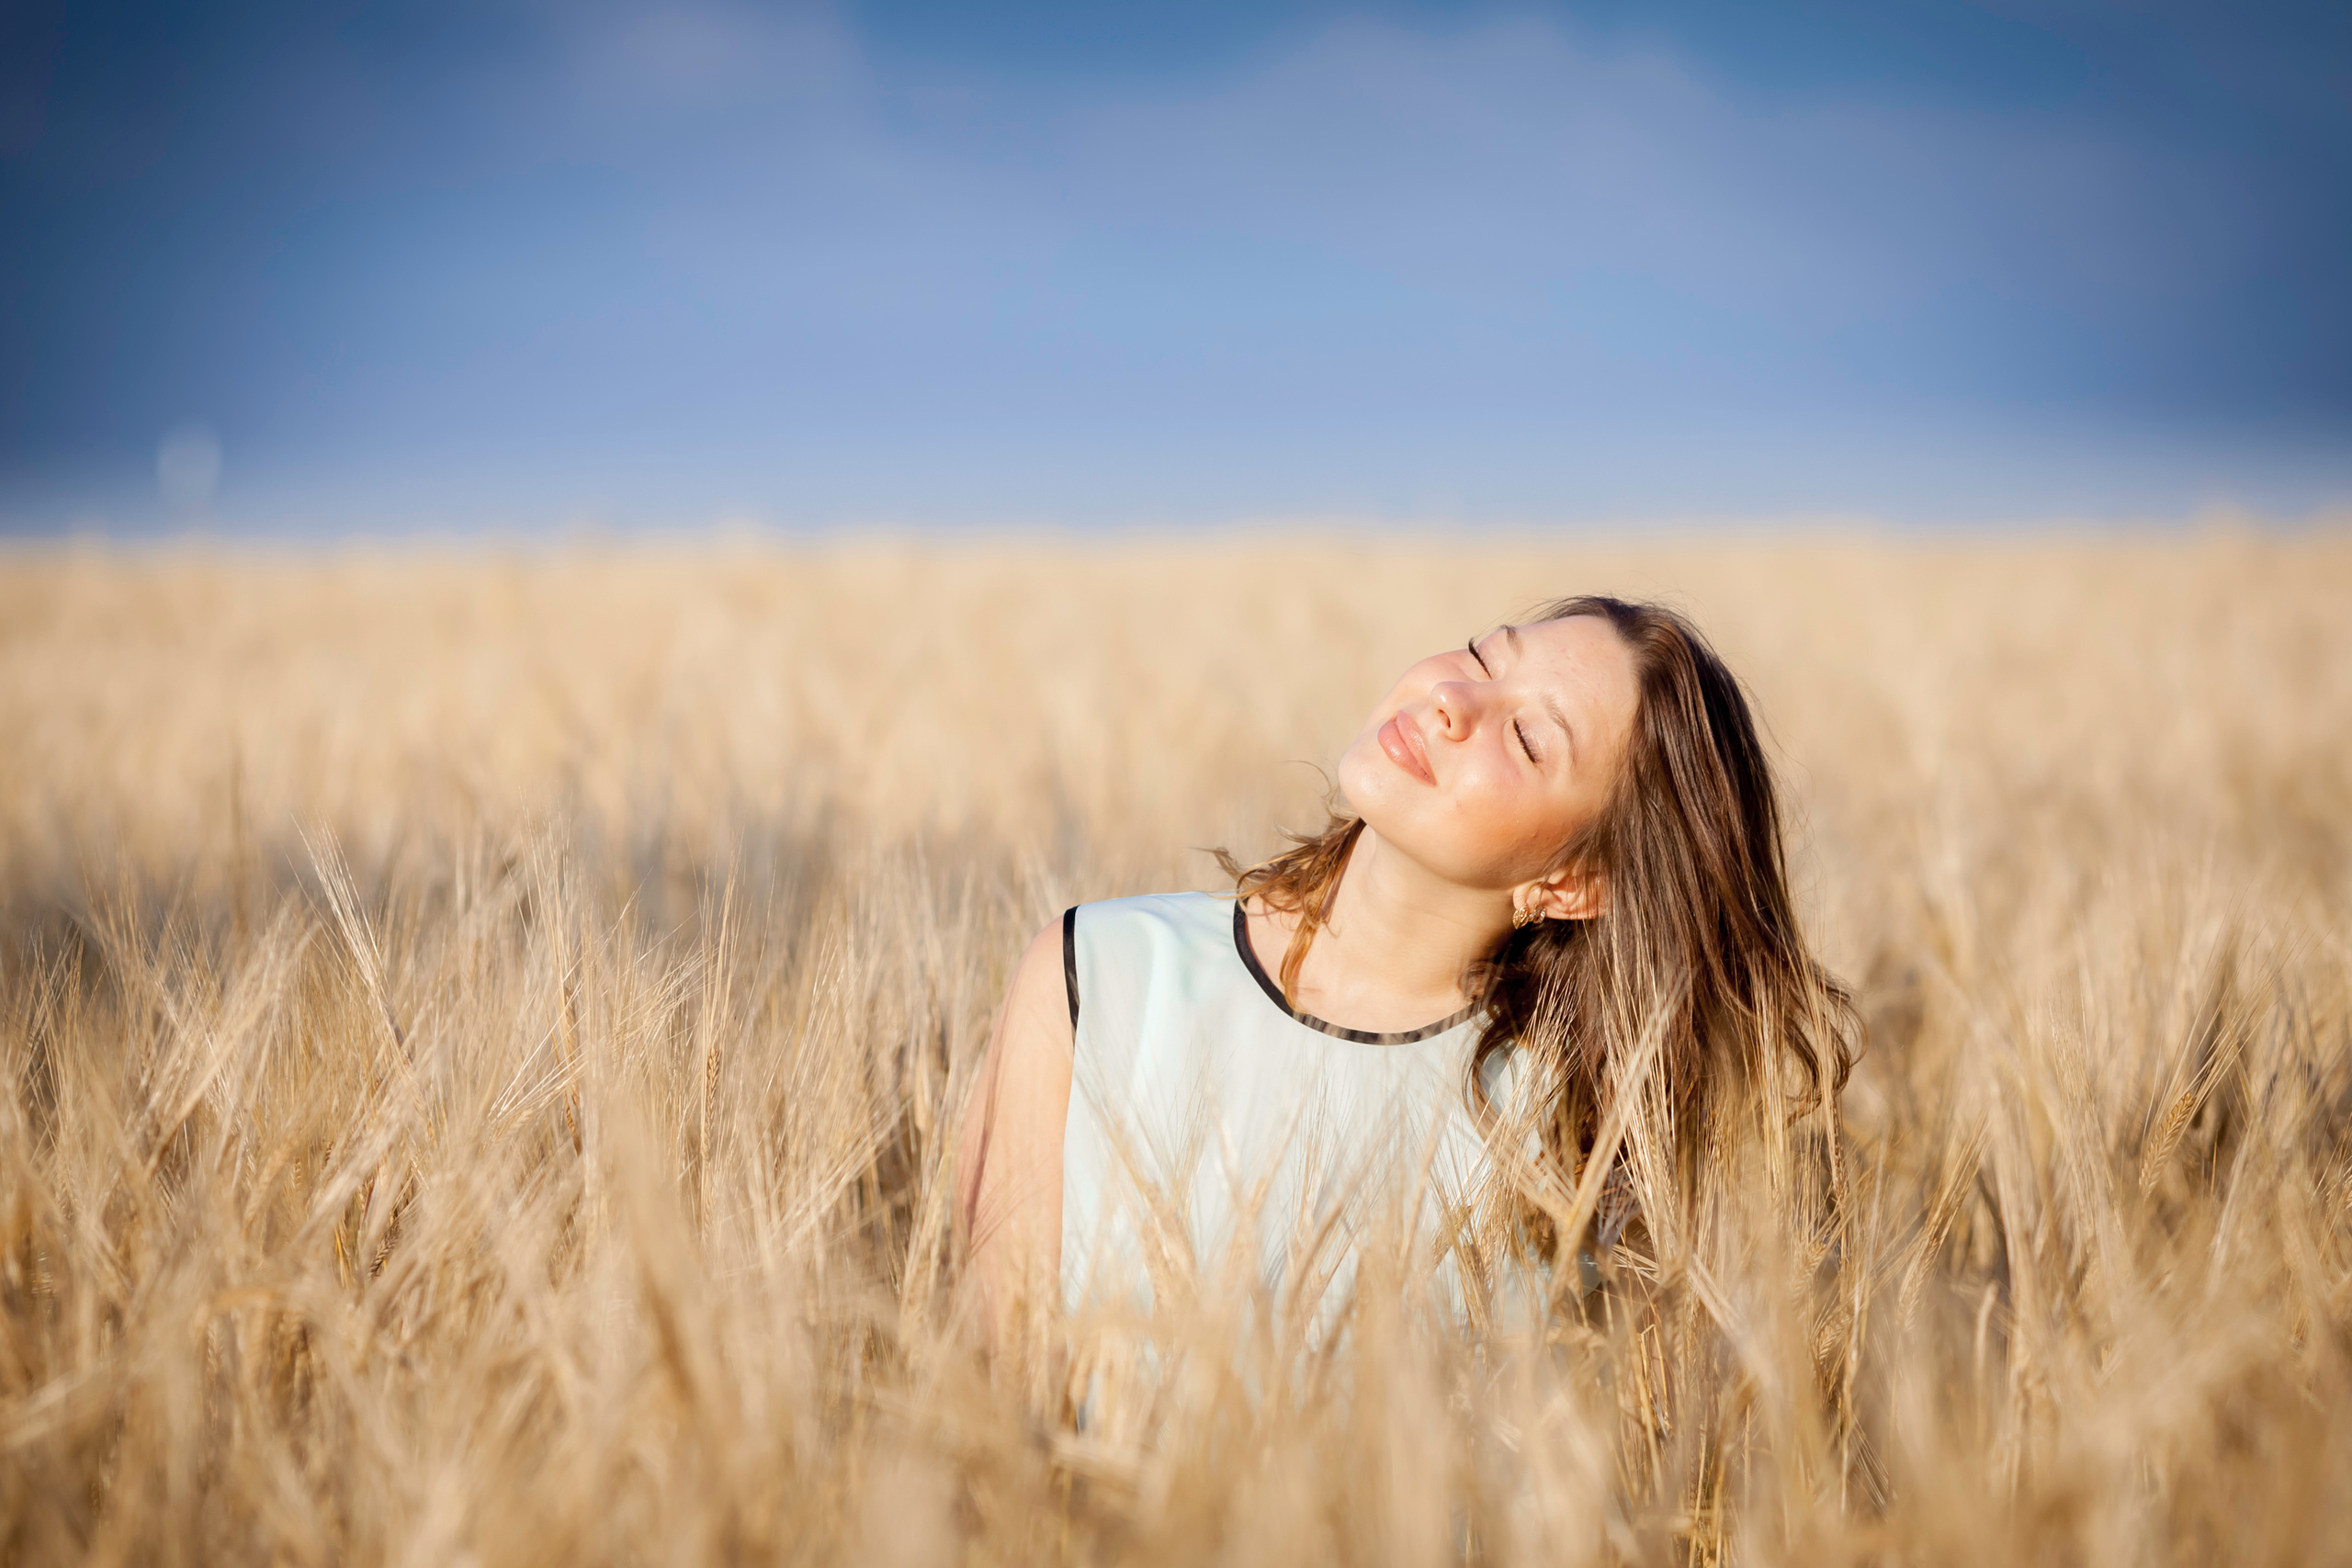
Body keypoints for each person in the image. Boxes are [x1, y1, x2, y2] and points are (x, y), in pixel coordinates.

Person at [955, 595, 1857, 1346]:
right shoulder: (1096, 978)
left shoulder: (1581, 1146)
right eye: (1481, 656)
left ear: (1573, 882)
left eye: (1530, 740)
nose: (1452, 702)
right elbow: (986, 1418)